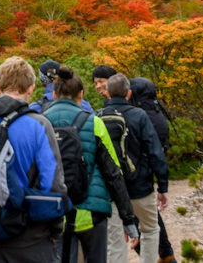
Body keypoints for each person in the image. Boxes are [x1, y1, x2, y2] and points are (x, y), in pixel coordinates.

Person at [0, 56, 69, 262]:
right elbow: (54, 185)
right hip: (30, 239)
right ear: (31, 88)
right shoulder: (39, 125)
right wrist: (55, 230)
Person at [43, 66, 140, 263]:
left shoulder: (39, 123)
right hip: (92, 210)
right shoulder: (94, 122)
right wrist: (128, 219)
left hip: (54, 212)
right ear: (81, 94)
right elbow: (113, 173)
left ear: (54, 94)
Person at [101, 74, 169, 263]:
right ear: (129, 94)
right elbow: (155, 152)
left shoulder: (97, 117)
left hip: (112, 189)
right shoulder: (139, 116)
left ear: (106, 93)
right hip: (140, 186)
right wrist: (162, 187)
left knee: (115, 240)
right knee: (150, 229)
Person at [129, 77, 176, 263]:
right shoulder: (157, 113)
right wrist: (162, 186)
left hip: (136, 180)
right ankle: (166, 254)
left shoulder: (140, 116)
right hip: (148, 179)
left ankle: (160, 256)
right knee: (151, 221)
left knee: (139, 222)